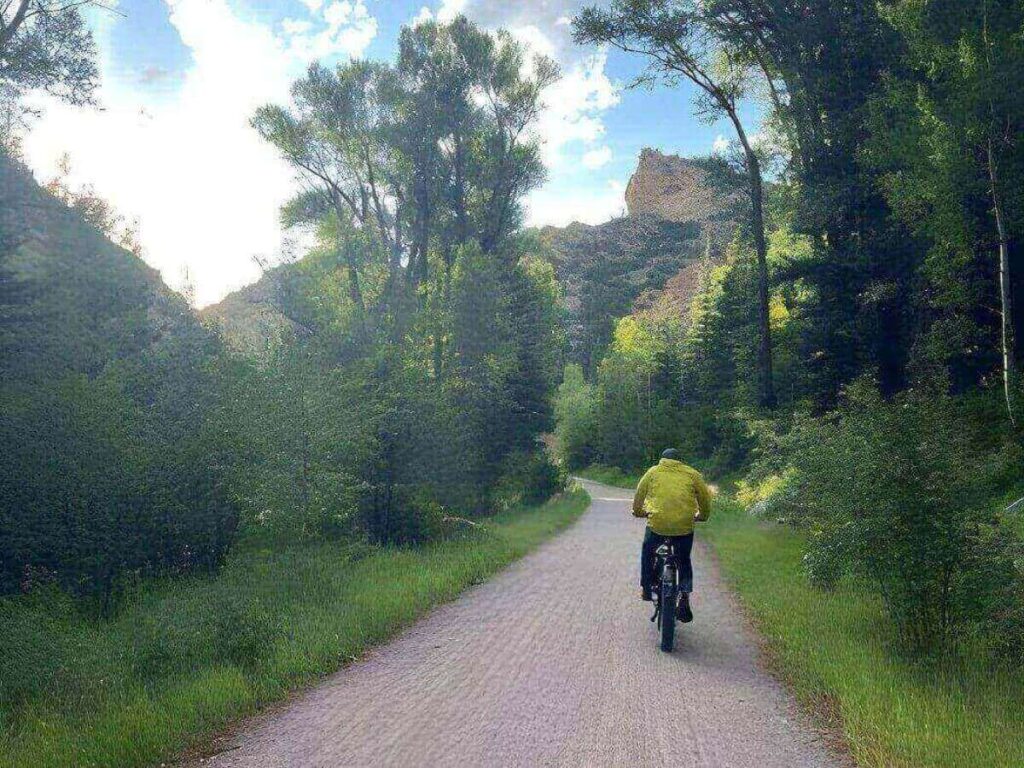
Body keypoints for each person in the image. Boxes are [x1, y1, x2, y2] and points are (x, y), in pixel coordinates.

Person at [632, 448, 712, 623]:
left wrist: (639, 512)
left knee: (648, 551)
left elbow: (639, 494)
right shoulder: (692, 474)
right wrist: (702, 516)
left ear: (662, 460)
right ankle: (684, 594)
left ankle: (646, 588)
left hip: (657, 525)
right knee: (683, 559)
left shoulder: (653, 472)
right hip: (684, 526)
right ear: (680, 461)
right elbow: (705, 498)